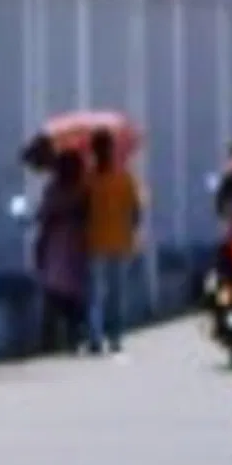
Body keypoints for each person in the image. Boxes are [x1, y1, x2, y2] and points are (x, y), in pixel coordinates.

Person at [28, 136, 94, 357]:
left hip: (57, 243)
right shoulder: (84, 189)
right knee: (73, 292)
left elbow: (44, 216)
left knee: (53, 292)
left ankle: (49, 339)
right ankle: (74, 336)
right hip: (77, 243)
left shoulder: (55, 190)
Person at [83, 125, 144, 352]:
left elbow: (83, 209)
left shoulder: (89, 179)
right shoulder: (124, 178)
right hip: (119, 241)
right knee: (116, 294)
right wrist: (130, 229)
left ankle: (95, 336)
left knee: (96, 294)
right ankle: (115, 336)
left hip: (95, 241)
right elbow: (136, 212)